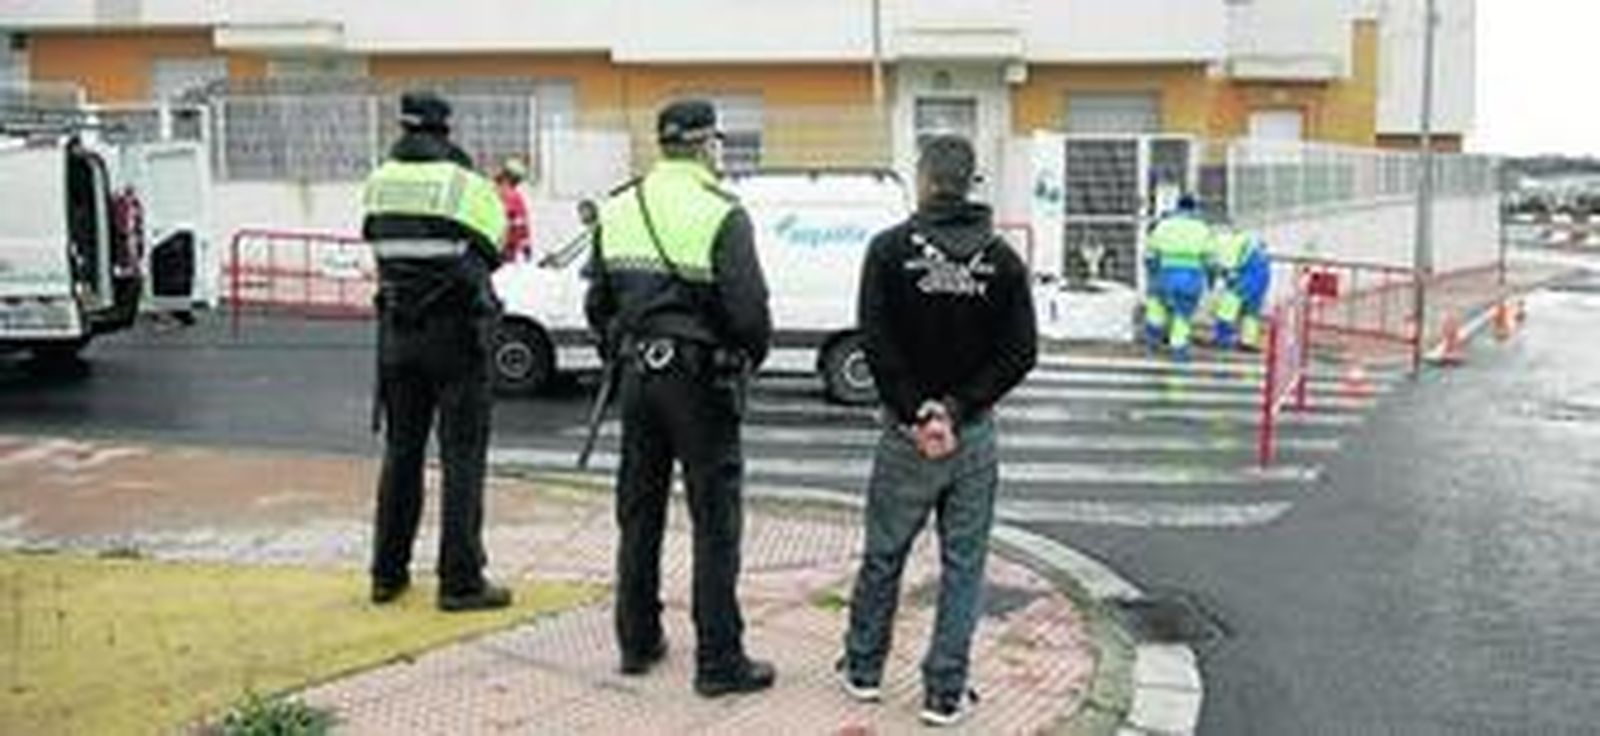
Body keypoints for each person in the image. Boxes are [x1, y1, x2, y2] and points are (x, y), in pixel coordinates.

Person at [838, 134, 1038, 727]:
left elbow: (875, 340)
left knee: (884, 553)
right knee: (964, 564)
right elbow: (1020, 352)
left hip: (906, 434)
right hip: (971, 434)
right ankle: (944, 691)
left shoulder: (888, 250)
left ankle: (865, 669)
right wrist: (957, 408)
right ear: (971, 182)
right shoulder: (1001, 260)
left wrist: (917, 411)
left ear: (924, 180)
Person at [584, 99, 775, 697]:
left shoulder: (619, 207)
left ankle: (637, 643)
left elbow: (597, 306)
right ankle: (719, 661)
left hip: (638, 377)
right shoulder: (722, 211)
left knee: (638, 513)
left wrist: (623, 347)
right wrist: (744, 358)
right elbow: (749, 314)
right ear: (706, 144)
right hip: (700, 381)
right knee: (714, 520)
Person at [362, 91, 512, 612]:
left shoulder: (379, 180)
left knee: (402, 454)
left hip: (397, 334)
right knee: (462, 459)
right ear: (446, 131)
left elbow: (377, 244)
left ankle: (387, 573)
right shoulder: (463, 184)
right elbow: (496, 250)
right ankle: (461, 581)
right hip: (457, 337)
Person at [1143, 193, 1213, 361]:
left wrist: (1152, 274)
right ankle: (1178, 349)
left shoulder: (1163, 226)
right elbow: (1210, 258)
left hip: (1164, 273)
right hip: (1190, 276)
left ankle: (1153, 341)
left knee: (1157, 306)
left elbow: (1150, 255)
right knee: (1182, 313)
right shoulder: (1202, 228)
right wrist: (1210, 279)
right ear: (1194, 208)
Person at [1208, 226, 1272, 351]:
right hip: (1262, 274)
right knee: (1251, 311)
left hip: (1248, 275)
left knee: (1227, 307)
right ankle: (1247, 341)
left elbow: (1227, 269)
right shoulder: (1237, 240)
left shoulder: (1219, 246)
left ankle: (1223, 339)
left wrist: (1220, 280)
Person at [496, 157, 532, 263]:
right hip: (506, 247)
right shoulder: (514, 197)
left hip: (488, 246)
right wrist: (526, 245)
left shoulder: (488, 189)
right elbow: (521, 225)